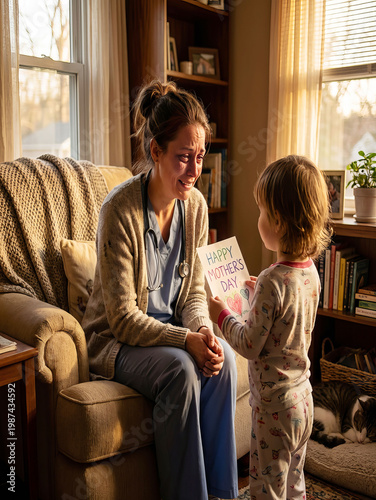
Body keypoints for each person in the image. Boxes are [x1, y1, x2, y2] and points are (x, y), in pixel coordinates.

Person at [82, 79, 238, 500]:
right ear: (155, 151)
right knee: (181, 370)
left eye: (200, 157)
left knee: (225, 369)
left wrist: (202, 331)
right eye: (183, 157)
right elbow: (122, 318)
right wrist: (184, 341)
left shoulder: (197, 208)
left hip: (170, 331)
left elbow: (191, 295)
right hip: (115, 341)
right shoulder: (119, 210)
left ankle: (224, 495)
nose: (194, 170)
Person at [209, 155, 332, 499]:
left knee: (267, 488)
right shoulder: (309, 273)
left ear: (277, 221)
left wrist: (221, 314)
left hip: (274, 411)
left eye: (261, 211)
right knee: (293, 481)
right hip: (303, 400)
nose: (258, 217)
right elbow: (286, 320)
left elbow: (249, 344)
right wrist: (256, 293)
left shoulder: (270, 280)